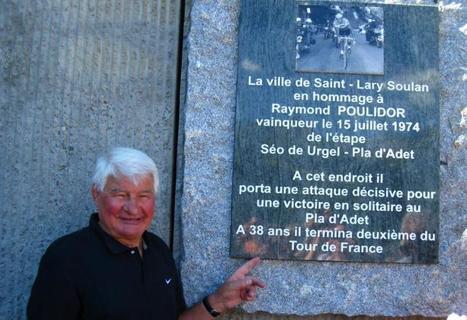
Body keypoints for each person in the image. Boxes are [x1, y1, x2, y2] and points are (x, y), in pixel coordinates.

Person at [27, 147, 265, 320]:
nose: (133, 208)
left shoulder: (157, 250)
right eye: (120, 195)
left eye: (144, 196)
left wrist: (219, 301)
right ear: (96, 194)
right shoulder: (66, 258)